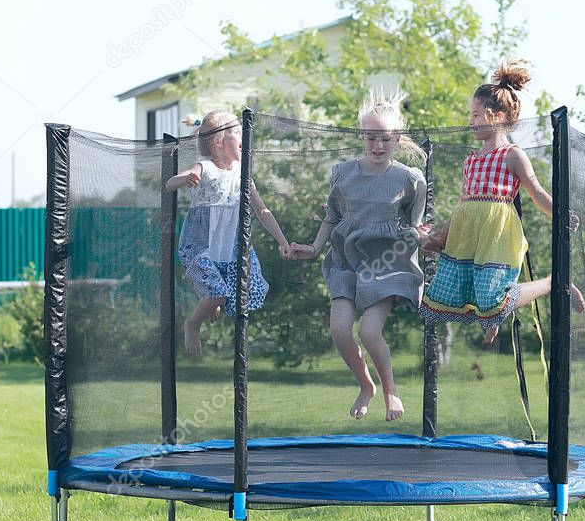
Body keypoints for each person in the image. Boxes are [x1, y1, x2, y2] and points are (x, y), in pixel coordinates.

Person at [420, 58, 585, 343]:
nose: (470, 121)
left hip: (496, 236)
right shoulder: (471, 160)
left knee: (493, 300)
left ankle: (553, 282)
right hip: (468, 238)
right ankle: (491, 317)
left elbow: (536, 193)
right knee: (443, 300)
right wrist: (441, 237)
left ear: (496, 116)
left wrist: (559, 214)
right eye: (469, 115)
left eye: (475, 115)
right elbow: (462, 205)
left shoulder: (512, 155)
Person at [290, 91, 429, 421]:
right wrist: (313, 246)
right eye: (371, 138)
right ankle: (366, 385)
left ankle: (390, 390)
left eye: (385, 139)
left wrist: (424, 236)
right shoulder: (343, 173)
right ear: (362, 137)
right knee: (339, 329)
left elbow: (415, 223)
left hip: (387, 264)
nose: (378, 146)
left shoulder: (410, 179)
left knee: (369, 332)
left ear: (396, 139)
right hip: (347, 261)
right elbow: (333, 216)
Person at [166, 111, 292, 357]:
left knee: (238, 292)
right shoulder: (206, 167)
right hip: (201, 245)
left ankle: (214, 301)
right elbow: (169, 183)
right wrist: (186, 178)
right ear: (218, 143)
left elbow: (262, 211)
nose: (244, 137)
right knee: (217, 292)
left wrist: (283, 242)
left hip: (231, 248)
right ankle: (192, 324)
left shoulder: (243, 175)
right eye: (237, 133)